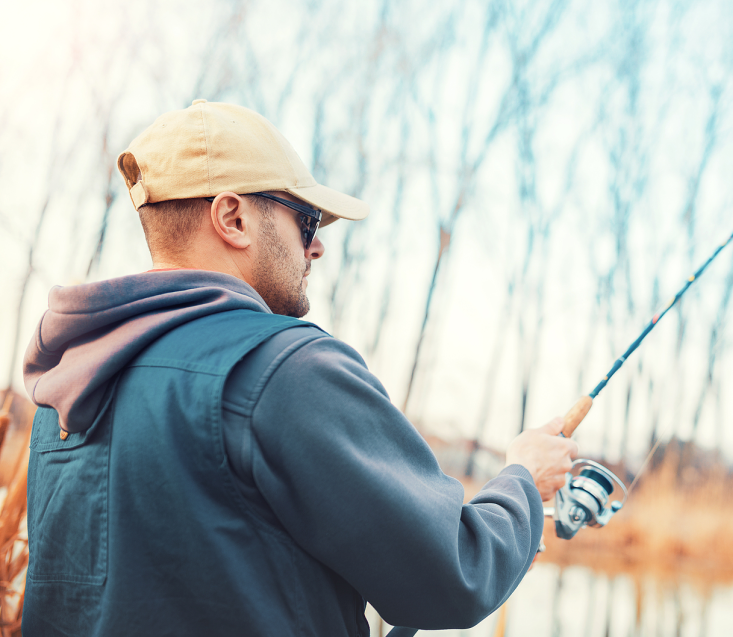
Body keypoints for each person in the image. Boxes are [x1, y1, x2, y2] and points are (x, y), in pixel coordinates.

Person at [22, 99, 578, 636]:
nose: (316, 250)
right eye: (307, 222)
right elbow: (457, 571)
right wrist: (523, 481)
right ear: (233, 218)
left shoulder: (65, 388)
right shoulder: (285, 368)